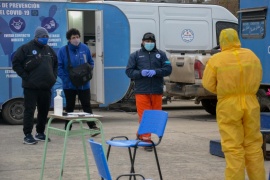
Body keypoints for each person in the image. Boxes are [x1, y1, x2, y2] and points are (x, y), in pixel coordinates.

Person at [202, 28, 265, 180]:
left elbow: (208, 84)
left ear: (221, 42)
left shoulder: (217, 59)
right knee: (254, 146)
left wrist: (224, 90)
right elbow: (259, 77)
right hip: (251, 103)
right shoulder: (251, 56)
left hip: (229, 105)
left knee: (233, 148)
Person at [125, 32, 172, 152]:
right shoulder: (135, 55)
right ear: (142, 42)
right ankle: (146, 141)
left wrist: (156, 72)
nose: (149, 43)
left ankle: (140, 134)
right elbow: (129, 71)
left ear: (155, 42)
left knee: (155, 116)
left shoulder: (161, 55)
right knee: (145, 116)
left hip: (156, 90)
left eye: (151, 41)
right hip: (141, 90)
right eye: (147, 41)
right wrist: (140, 73)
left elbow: (168, 69)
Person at [12, 26, 58, 145]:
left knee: (43, 111)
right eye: (43, 37)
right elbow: (16, 64)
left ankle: (40, 133)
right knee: (30, 110)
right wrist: (26, 77)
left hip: (46, 87)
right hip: (31, 87)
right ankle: (27, 135)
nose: (45, 39)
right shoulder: (26, 48)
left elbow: (56, 64)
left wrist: (53, 77)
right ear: (36, 37)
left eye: (47, 36)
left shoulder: (49, 50)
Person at [57, 28, 99, 137]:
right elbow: (59, 67)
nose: (76, 39)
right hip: (69, 84)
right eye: (73, 37)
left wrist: (88, 72)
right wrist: (66, 79)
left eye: (77, 37)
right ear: (69, 39)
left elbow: (90, 62)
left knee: (86, 105)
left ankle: (92, 126)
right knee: (70, 106)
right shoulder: (63, 50)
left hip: (84, 84)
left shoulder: (85, 48)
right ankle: (67, 127)